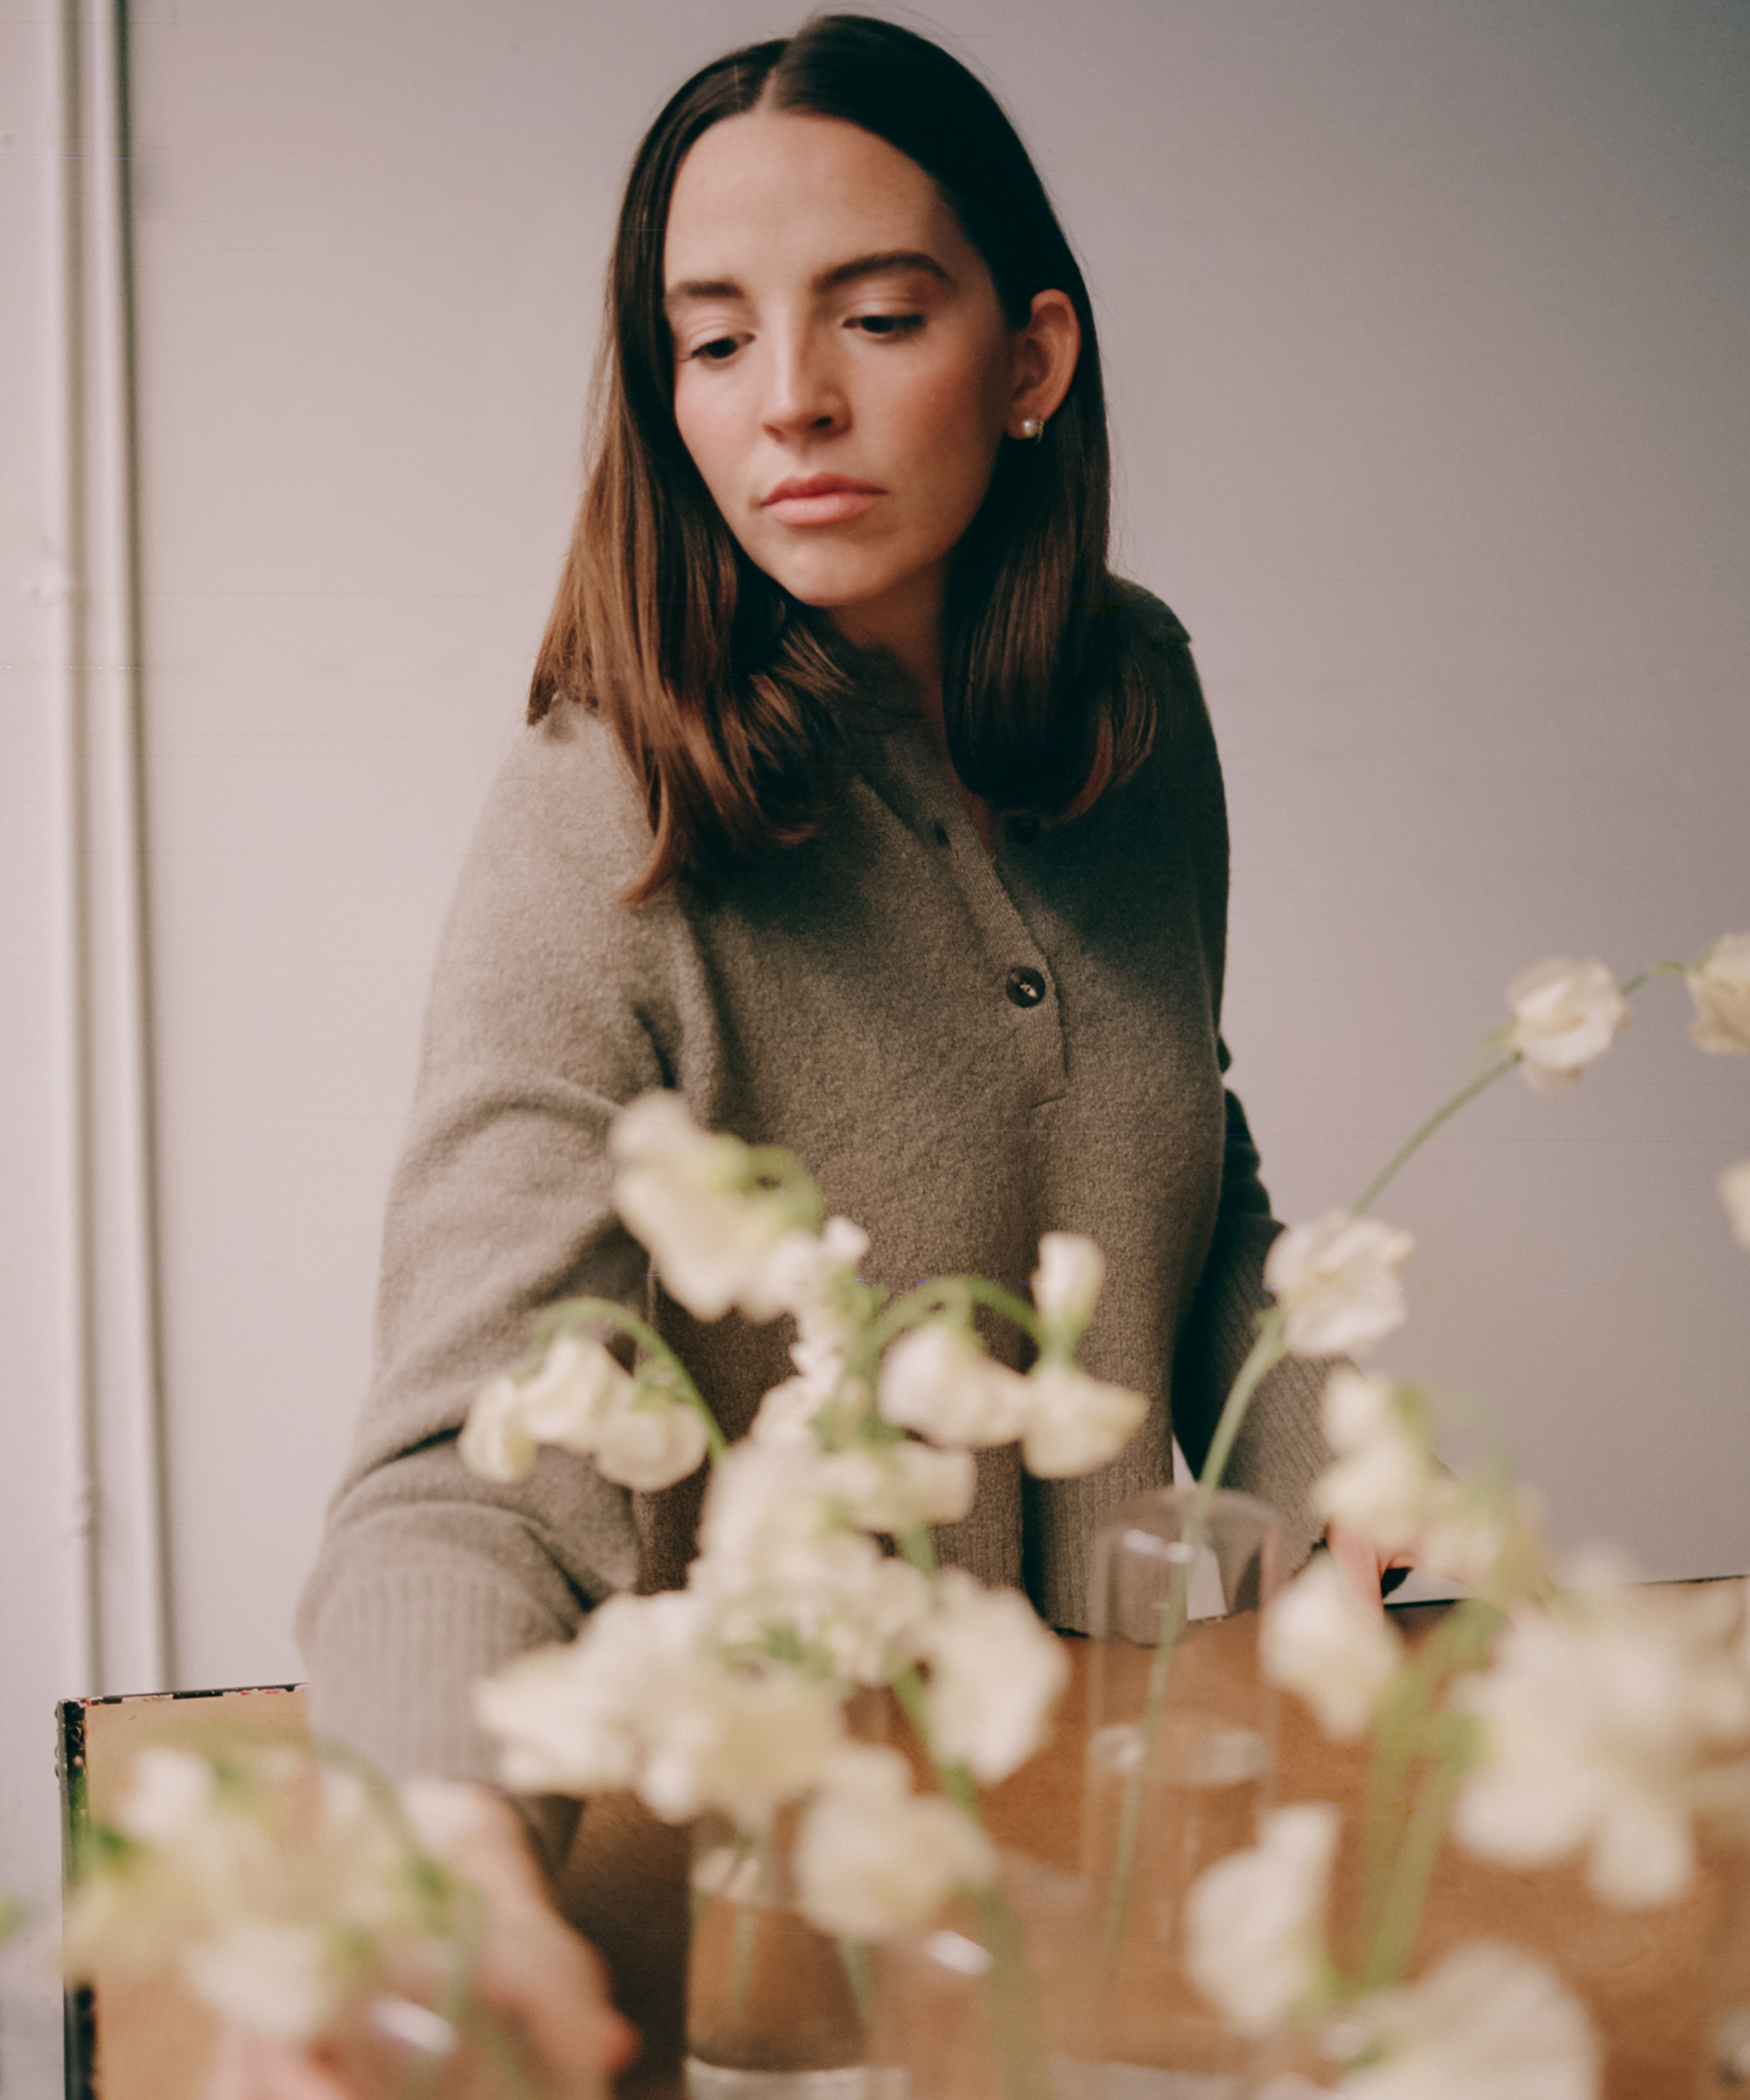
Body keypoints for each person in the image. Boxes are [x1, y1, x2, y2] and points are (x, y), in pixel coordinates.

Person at [240, 17, 1364, 2096]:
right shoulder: (603, 812)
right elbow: (467, 1463)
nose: (791, 402)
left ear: (1029, 360)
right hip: (778, 1935)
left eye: (877, 316)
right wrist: (434, 1870)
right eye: (714, 339)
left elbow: (1183, 1184)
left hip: (1139, 1871)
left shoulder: (1133, 706)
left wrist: (1344, 1477)